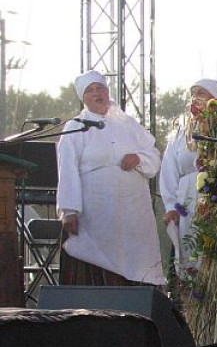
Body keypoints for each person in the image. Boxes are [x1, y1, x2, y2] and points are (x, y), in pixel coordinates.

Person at [56, 70, 164, 287]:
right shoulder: (76, 126)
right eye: (90, 90)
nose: (97, 93)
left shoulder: (128, 124)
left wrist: (138, 158)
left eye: (100, 88)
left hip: (133, 213)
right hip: (97, 213)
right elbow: (67, 170)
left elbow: (153, 156)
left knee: (136, 261)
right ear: (83, 97)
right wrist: (69, 211)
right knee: (99, 266)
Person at [158, 78, 217, 274]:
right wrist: (172, 206)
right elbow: (168, 172)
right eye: (193, 94)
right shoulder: (182, 133)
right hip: (187, 200)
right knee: (190, 255)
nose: (195, 98)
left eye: (201, 93)